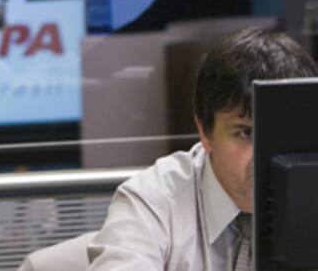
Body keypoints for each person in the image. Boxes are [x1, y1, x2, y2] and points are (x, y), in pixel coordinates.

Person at [86, 27, 318, 270]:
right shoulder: (153, 202)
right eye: (246, 133)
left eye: (280, 134)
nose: (263, 157)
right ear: (205, 132)